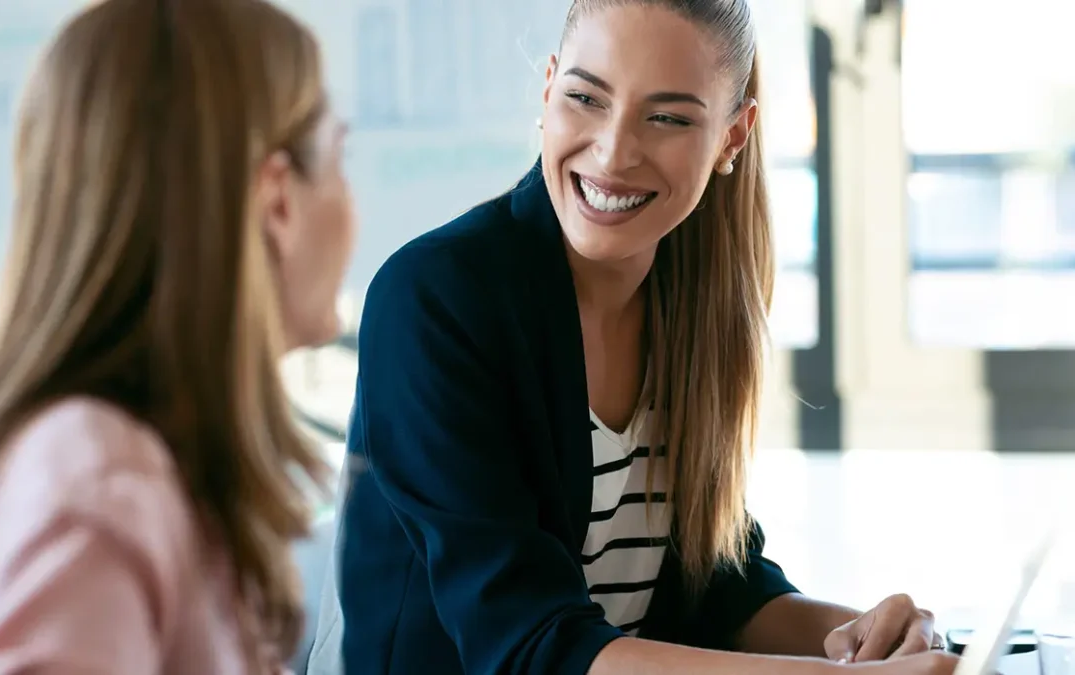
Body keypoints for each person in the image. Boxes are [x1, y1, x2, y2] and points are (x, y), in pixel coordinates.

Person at [334, 0, 959, 674]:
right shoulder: (435, 300)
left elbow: (716, 585)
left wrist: (872, 638)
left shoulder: (691, 302)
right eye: (585, 97)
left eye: (667, 117)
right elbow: (530, 646)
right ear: (548, 89)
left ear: (732, 137)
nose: (613, 152)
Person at [0, 0, 354, 672]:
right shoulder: (99, 479)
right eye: (339, 158)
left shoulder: (154, 468)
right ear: (278, 201)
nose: (351, 203)